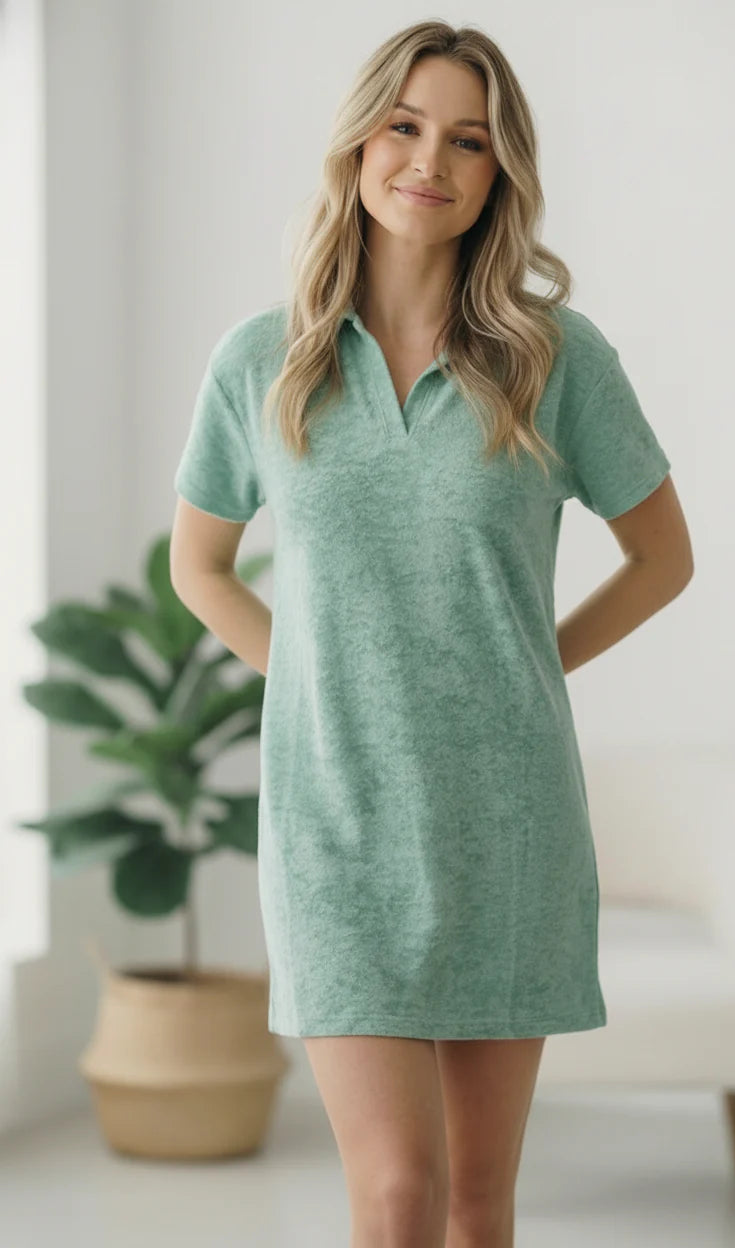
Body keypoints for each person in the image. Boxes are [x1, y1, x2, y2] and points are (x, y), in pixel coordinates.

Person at [170, 19, 693, 1248]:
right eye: (404, 126)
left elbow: (663, 558)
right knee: (396, 1195)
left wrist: (525, 664)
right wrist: (310, 674)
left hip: (504, 817)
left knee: (474, 1202)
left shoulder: (557, 362)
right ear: (357, 145)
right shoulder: (262, 363)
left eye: (467, 139)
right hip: (334, 816)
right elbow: (202, 568)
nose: (429, 160)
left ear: (498, 173)